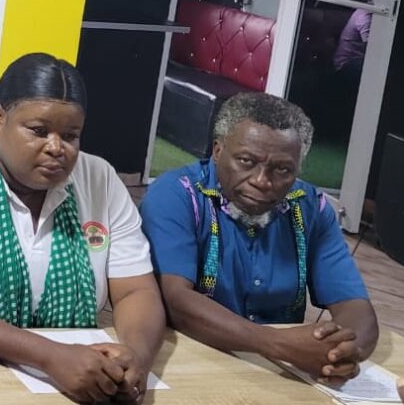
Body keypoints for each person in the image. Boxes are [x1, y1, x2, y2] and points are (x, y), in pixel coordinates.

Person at [0, 53, 165, 404]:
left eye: (71, 136)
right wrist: (50, 357)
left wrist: (135, 357)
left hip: (74, 378)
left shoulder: (100, 179)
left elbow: (135, 291)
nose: (56, 148)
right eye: (39, 131)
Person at [141, 92, 378, 385]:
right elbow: (175, 301)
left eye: (283, 170)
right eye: (246, 161)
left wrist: (343, 353)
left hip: (279, 376)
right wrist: (278, 345)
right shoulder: (178, 195)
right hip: (189, 363)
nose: (262, 181)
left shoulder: (311, 207)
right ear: (217, 151)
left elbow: (355, 307)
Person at [333, 8, 372, 84]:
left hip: (356, 59)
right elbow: (372, 48)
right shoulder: (365, 17)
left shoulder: (365, 11)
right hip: (347, 63)